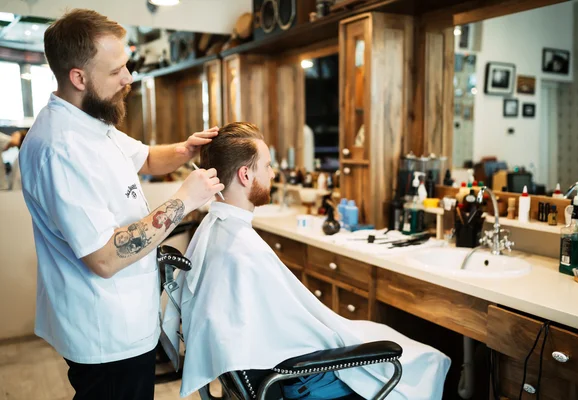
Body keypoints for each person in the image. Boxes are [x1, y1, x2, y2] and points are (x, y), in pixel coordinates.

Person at [18, 9, 224, 400]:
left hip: (126, 317)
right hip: (105, 333)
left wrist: (184, 149)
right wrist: (185, 201)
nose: (128, 78)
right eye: (116, 72)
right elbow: (104, 257)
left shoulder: (89, 121)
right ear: (78, 77)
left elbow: (143, 158)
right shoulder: (61, 149)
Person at [160, 122, 450, 400]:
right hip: (299, 377)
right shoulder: (240, 247)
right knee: (428, 359)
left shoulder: (216, 230)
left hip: (281, 363)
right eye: (268, 166)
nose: (273, 174)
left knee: (377, 334)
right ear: (246, 176)